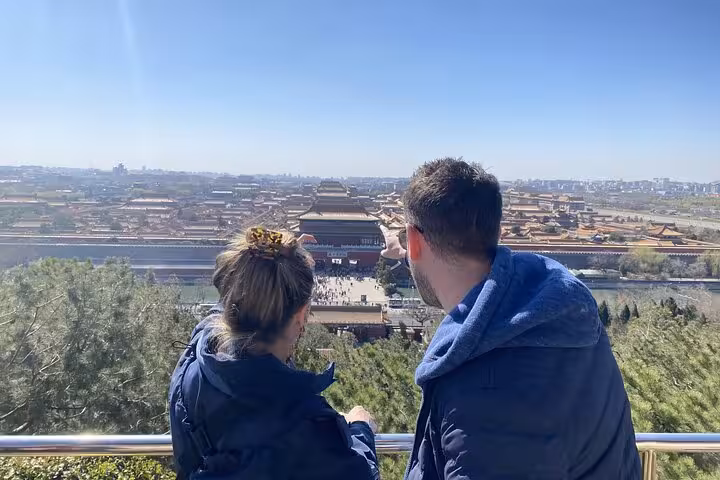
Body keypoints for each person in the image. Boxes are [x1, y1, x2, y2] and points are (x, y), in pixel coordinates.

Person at [381, 158, 641, 479]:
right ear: (496, 231)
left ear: (415, 239)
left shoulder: (482, 402)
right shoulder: (560, 309)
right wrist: (409, 253)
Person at [169, 227, 379, 479]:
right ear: (301, 316)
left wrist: (275, 270)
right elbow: (359, 474)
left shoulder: (197, 357)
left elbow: (230, 302)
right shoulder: (307, 423)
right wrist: (360, 428)